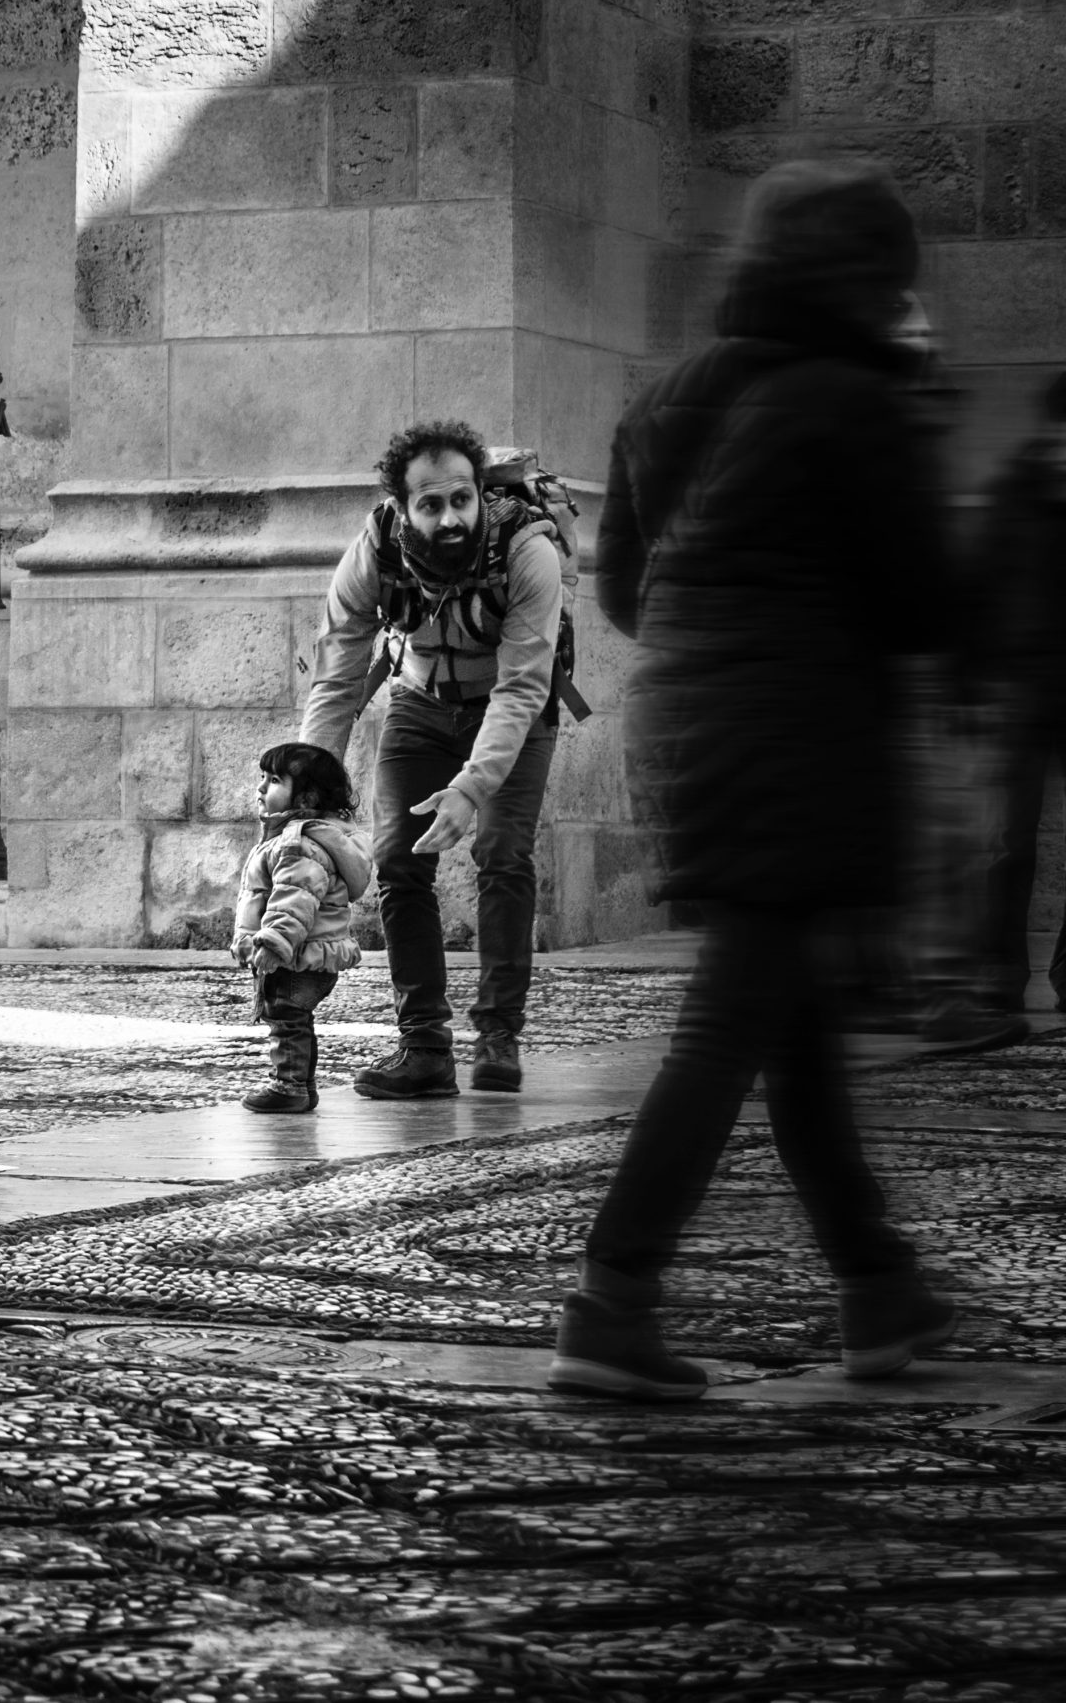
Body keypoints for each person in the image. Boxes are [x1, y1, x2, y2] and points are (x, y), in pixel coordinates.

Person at [548, 158, 956, 1402]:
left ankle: (876, 1284)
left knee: (791, 1020)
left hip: (691, 720)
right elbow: (920, 598)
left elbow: (622, 586)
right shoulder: (848, 398)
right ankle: (612, 1299)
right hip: (797, 734)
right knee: (734, 1020)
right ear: (863, 278)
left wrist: (709, 642)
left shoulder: (669, 396)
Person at [300, 420, 567, 1100]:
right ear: (402, 507)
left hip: (511, 710)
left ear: (480, 494)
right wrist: (305, 799)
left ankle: (499, 1035)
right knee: (397, 860)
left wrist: (471, 787)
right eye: (431, 504)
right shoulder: (374, 549)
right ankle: (423, 1047)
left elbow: (522, 688)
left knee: (503, 853)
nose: (450, 518)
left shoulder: (529, 551)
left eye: (462, 500)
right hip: (419, 705)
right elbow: (336, 675)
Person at [969, 373, 1066, 1017]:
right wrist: (970, 682)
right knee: (1009, 842)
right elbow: (982, 587)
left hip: (1028, 684)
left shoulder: (1016, 490)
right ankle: (1000, 973)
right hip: (1023, 689)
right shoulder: (1015, 492)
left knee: (1009, 841)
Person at [231, 742, 370, 1115]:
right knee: (295, 1018)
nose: (261, 787)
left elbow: (294, 900)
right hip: (308, 952)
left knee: (285, 1017)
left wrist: (273, 943)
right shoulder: (302, 838)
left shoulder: (298, 845)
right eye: (263, 777)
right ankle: (302, 1086)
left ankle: (288, 1086)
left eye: (274, 780)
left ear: (306, 798)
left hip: (295, 954)